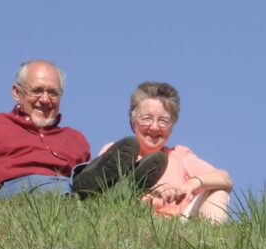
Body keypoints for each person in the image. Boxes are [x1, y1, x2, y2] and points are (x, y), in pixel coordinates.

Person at [0, 60, 165, 203]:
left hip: (64, 191)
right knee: (45, 182)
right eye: (37, 91)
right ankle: (106, 193)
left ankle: (118, 189)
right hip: (10, 192)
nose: (45, 100)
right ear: (17, 92)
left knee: (76, 180)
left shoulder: (76, 139)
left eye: (53, 93)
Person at [99, 82, 233, 223]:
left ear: (171, 126)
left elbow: (225, 178)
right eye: (147, 119)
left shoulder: (179, 156)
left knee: (218, 191)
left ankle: (213, 241)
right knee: (109, 193)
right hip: (131, 219)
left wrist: (190, 185)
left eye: (163, 121)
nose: (155, 127)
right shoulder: (116, 151)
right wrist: (157, 192)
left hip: (180, 224)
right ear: (133, 123)